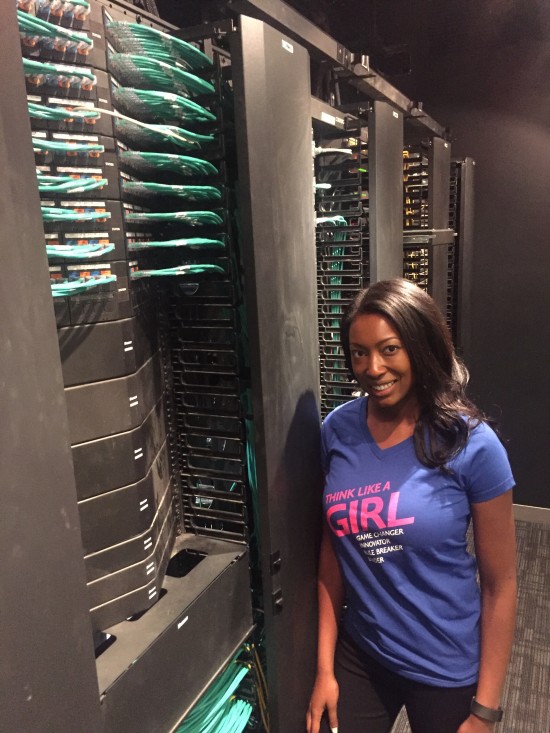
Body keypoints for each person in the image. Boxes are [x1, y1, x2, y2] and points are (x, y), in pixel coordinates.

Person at [306, 279, 517, 733]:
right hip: (363, 652)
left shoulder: (472, 443)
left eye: (389, 349)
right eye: (359, 352)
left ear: (419, 348)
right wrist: (324, 669)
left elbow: (501, 586)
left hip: (444, 664)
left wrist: (485, 711)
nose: (373, 367)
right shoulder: (337, 431)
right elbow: (332, 552)